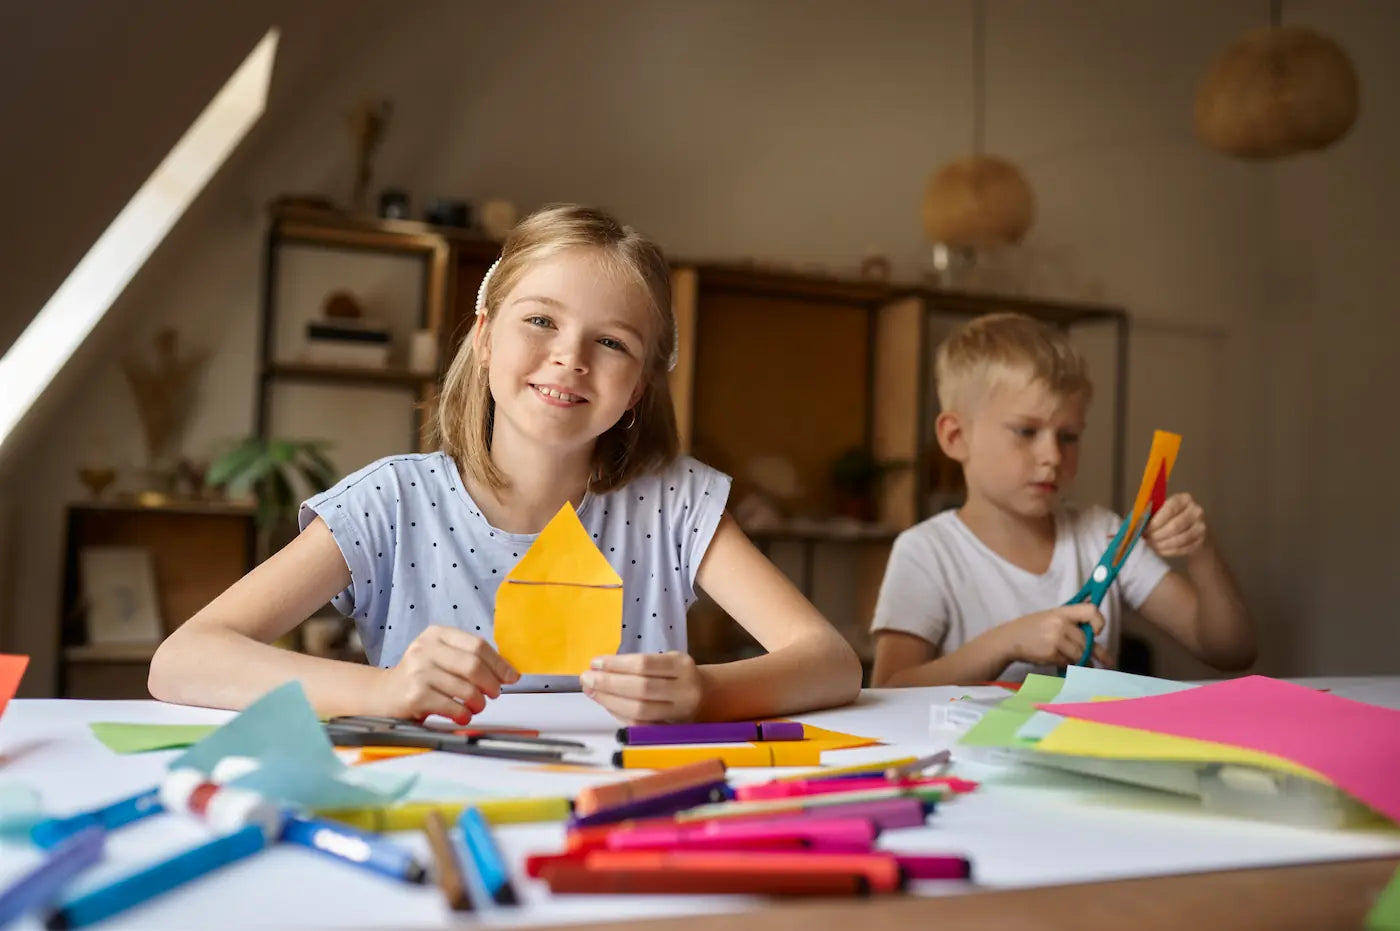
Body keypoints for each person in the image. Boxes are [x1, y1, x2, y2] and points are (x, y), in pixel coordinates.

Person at [149, 204, 861, 723]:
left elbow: (830, 660)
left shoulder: (674, 505)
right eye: (541, 320)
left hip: (625, 816)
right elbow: (183, 659)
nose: (570, 357)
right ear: (485, 337)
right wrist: (382, 690)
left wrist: (709, 693)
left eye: (611, 342)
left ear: (639, 385)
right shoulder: (390, 501)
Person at [869, 312, 1255, 687]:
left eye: (1068, 436)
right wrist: (1007, 642)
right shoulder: (926, 552)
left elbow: (1230, 651)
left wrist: (1201, 550)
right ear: (956, 437)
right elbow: (889, 688)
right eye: (1026, 431)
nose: (1052, 456)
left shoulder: (1102, 534)